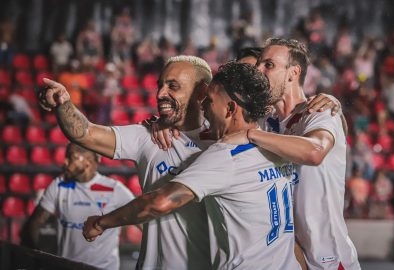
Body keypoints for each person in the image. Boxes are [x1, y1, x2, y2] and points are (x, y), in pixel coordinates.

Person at [83, 62, 302, 270]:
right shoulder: (278, 144)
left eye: (209, 101)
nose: (203, 106)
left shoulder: (225, 156)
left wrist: (101, 222)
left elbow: (158, 203)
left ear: (229, 109)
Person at [38, 55, 215, 270]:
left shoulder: (224, 143)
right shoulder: (147, 136)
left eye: (173, 86)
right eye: (160, 85)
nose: (160, 94)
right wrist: (63, 103)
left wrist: (101, 223)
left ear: (201, 92)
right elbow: (86, 134)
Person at [223, 38, 360, 269]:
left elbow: (314, 151)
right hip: (288, 258)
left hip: (326, 259)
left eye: (268, 65)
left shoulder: (320, 112)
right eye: (258, 65)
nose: (258, 71)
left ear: (293, 73)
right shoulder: (265, 123)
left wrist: (250, 135)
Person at [21, 143, 135, 270]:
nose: (64, 162)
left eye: (70, 157)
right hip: (66, 267)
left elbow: (143, 220)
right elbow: (34, 224)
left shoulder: (114, 189)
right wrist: (38, 259)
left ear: (87, 162)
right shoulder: (59, 185)